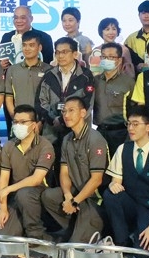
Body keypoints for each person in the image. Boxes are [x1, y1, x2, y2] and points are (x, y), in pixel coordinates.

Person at [103, 106, 149, 251]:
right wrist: (113, 184)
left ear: (148, 127)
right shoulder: (122, 149)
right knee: (110, 195)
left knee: (142, 254)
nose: (130, 128)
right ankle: (122, 240)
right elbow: (116, 181)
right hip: (130, 204)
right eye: (129, 124)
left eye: (136, 124)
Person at [41, 96, 108, 242]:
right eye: (64, 111)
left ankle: (92, 229)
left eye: (71, 110)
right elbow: (64, 172)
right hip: (76, 195)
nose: (66, 115)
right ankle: (74, 227)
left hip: (94, 200)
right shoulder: (67, 139)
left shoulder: (95, 139)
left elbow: (96, 180)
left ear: (83, 113)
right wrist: (67, 196)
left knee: (74, 247)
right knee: (48, 196)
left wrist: (75, 201)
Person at [0, 105, 55, 239]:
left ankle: (36, 234)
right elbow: (4, 178)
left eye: (23, 122)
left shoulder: (45, 146)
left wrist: (8, 189)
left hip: (38, 195)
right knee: (6, 235)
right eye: (16, 122)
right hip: (15, 196)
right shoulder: (9, 146)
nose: (18, 126)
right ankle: (22, 224)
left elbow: (36, 179)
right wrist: (3, 208)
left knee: (24, 194)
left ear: (34, 125)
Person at [37, 37, 95, 157]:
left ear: (75, 54)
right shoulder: (49, 75)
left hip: (77, 132)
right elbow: (41, 102)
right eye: (57, 52)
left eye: (64, 52)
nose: (60, 56)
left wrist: (64, 120)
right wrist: (54, 119)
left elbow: (87, 104)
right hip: (52, 132)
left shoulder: (86, 76)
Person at [93, 42, 135, 155]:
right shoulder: (94, 81)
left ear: (119, 60)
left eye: (111, 57)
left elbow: (136, 109)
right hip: (100, 132)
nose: (106, 60)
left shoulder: (128, 82)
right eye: (104, 57)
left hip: (121, 133)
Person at [4, 30, 53, 117]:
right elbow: (9, 97)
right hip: (19, 119)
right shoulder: (12, 70)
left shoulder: (49, 70)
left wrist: (43, 120)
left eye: (31, 45)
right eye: (24, 45)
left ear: (40, 47)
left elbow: (52, 99)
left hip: (43, 120)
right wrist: (15, 117)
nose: (27, 49)